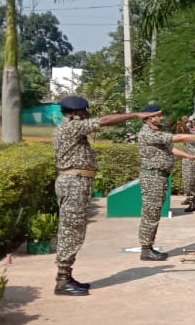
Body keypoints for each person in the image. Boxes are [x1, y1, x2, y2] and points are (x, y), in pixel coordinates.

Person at [51, 97, 153, 296]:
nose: (87, 114)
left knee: (75, 230)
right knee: (71, 231)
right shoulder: (71, 127)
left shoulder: (72, 127)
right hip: (73, 183)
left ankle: (66, 276)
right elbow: (104, 121)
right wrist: (135, 115)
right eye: (84, 111)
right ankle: (62, 281)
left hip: (77, 183)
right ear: (77, 113)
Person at [137, 105, 195, 261]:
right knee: (150, 213)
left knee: (154, 213)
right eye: (159, 115)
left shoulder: (156, 132)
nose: (162, 118)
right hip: (152, 177)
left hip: (159, 177)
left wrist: (190, 156)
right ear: (149, 118)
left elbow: (171, 149)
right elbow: (174, 138)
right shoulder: (147, 132)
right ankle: (146, 249)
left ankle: (148, 246)